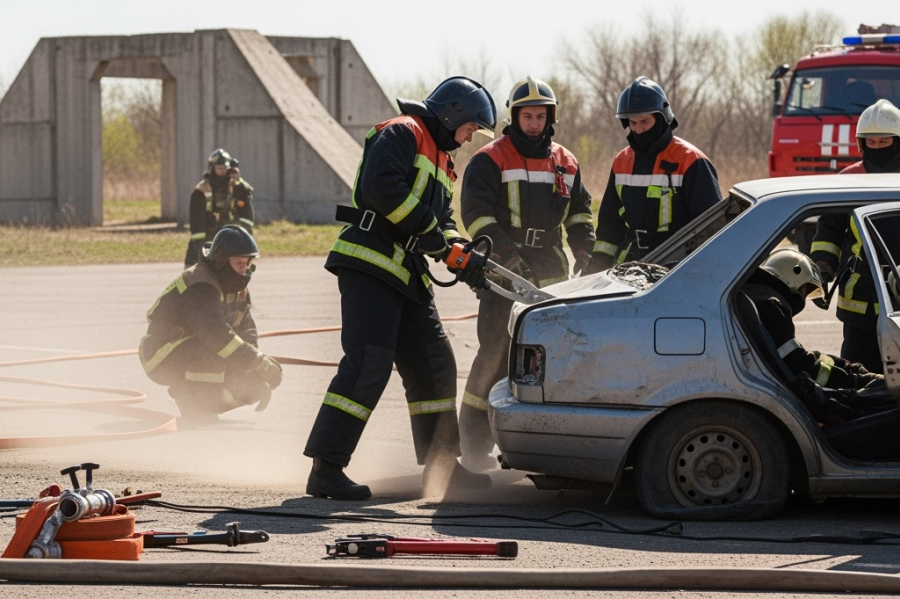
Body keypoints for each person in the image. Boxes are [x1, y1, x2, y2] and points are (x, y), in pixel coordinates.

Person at [303, 76, 497, 500]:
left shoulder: (444, 163)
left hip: (408, 275)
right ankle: (326, 469)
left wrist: (457, 248)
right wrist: (433, 234)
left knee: (435, 364)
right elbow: (382, 188)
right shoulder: (402, 131)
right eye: (470, 128)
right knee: (369, 363)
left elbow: (441, 220)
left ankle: (442, 467)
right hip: (370, 265)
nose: (469, 138)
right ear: (453, 114)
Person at [457, 76, 594, 469]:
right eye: (527, 115)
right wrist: (506, 260)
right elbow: (477, 216)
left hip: (552, 269)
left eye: (540, 115)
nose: (533, 123)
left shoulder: (565, 161)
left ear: (550, 117)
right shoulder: (490, 158)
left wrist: (586, 248)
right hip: (503, 271)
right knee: (495, 354)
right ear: (513, 116)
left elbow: (581, 213)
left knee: (550, 358)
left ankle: (537, 445)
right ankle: (474, 444)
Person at [809, 99, 900, 371]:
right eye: (871, 143)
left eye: (884, 142)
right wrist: (821, 270)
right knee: (858, 376)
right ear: (861, 144)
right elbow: (827, 234)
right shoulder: (847, 180)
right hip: (860, 302)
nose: (876, 148)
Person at [143, 225, 282, 424]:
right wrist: (257, 361)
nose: (244, 268)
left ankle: (202, 405)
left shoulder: (237, 287)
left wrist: (253, 369)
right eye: (238, 262)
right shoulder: (200, 284)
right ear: (220, 261)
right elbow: (216, 335)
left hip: (192, 348)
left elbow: (247, 328)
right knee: (218, 348)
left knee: (250, 385)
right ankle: (190, 401)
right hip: (160, 353)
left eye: (247, 262)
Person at [739, 249, 889, 427]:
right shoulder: (771, 307)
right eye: (805, 290)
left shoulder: (759, 298)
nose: (803, 297)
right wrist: (854, 381)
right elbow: (800, 365)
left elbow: (795, 354)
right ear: (792, 278)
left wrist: (842, 364)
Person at [591, 77, 721, 270]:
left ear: (662, 118)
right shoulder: (622, 162)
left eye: (645, 121)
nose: (638, 129)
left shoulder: (690, 161)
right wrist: (596, 267)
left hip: (675, 269)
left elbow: (712, 228)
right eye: (632, 123)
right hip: (628, 268)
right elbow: (610, 227)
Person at [185, 150, 256, 267]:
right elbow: (196, 220)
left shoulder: (236, 186)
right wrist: (201, 245)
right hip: (207, 234)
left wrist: (238, 179)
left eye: (225, 168)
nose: (223, 171)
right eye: (219, 168)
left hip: (227, 235)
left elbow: (247, 200)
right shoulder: (201, 190)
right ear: (212, 168)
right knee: (193, 270)